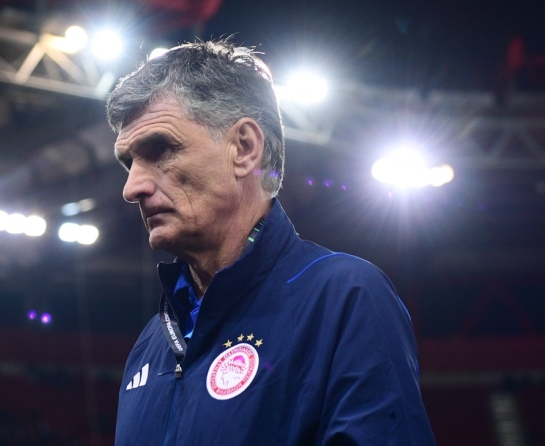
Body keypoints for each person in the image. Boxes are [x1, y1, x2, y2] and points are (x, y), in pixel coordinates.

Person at [106, 40, 436, 445]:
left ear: (244, 148)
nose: (132, 188)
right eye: (129, 163)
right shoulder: (150, 344)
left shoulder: (343, 297)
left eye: (160, 149)